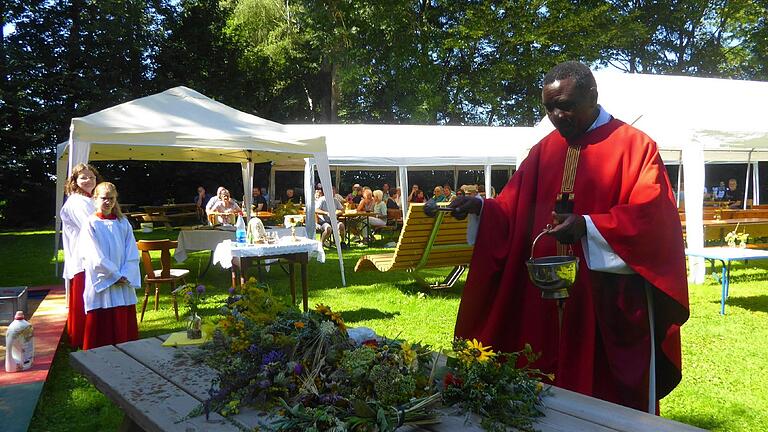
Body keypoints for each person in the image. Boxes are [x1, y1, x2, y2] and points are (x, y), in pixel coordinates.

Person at [449, 61, 689, 413]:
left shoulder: (635, 147)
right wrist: (481, 208)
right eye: (549, 108)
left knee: (605, 400)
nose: (558, 116)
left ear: (593, 96)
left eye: (566, 105)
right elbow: (511, 209)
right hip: (543, 300)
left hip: (605, 300)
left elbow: (652, 220)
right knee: (543, 392)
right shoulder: (544, 150)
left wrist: (589, 226)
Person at [80, 182, 141, 350]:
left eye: (111, 199)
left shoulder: (123, 223)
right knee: (102, 318)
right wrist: (114, 275)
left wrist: (126, 274)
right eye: (104, 198)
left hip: (123, 277)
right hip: (104, 279)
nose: (108, 202)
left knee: (122, 317)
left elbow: (131, 250)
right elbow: (92, 254)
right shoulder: (91, 223)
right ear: (95, 199)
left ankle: (127, 350)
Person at [60, 163, 101, 349]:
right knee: (86, 300)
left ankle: (97, 337)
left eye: (92, 177)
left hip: (93, 256)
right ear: (75, 181)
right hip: (83, 258)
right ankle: (84, 338)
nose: (88, 180)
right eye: (83, 177)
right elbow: (92, 227)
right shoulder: (77, 202)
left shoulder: (90, 199)